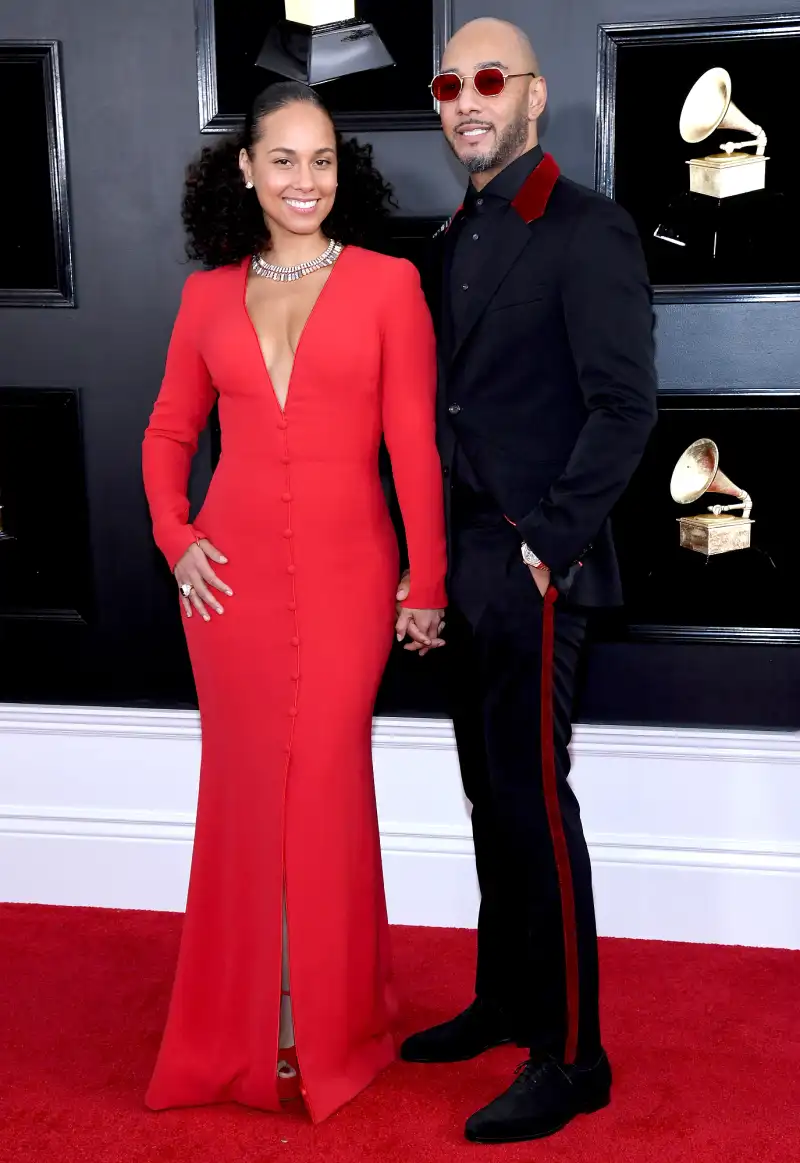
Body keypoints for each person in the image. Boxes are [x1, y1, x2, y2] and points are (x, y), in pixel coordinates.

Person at [142, 81, 446, 1123]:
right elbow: (167, 434)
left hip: (349, 579)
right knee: (239, 793)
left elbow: (413, 446)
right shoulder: (204, 298)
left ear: (340, 171)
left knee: (319, 786)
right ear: (245, 169)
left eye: (321, 161)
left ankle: (330, 1015)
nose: (303, 181)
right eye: (283, 160)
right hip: (227, 593)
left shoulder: (387, 285)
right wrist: (176, 537)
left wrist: (426, 577)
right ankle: (249, 1020)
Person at [398, 18, 658, 1144]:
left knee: (532, 805)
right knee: (486, 797)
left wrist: (546, 541)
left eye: (489, 80)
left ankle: (573, 1055)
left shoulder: (586, 227)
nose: (467, 98)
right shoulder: (453, 232)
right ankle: (509, 997)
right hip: (459, 569)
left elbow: (624, 405)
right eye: (450, 81)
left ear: (534, 97)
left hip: (532, 562)